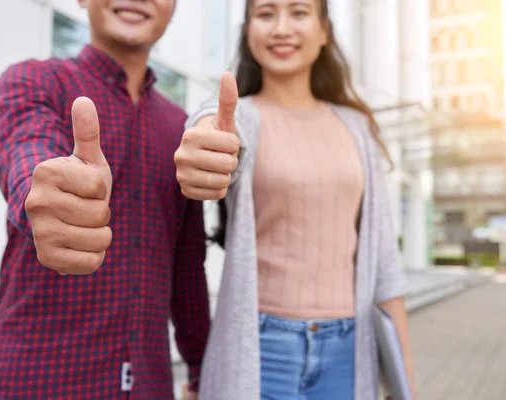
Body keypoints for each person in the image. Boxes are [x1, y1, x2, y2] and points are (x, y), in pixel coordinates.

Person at [174, 0, 417, 399]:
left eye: (299, 13)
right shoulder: (242, 119)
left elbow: (385, 262)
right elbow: (211, 127)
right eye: (266, 14)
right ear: (248, 30)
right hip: (261, 346)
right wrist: (205, 143)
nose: (281, 28)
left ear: (323, 32)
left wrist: (404, 376)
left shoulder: (357, 127)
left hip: (349, 349)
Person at [0, 1, 209, 399]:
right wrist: (50, 197)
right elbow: (27, 156)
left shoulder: (181, 128)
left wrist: (200, 372)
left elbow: (188, 269)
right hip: (37, 382)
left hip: (150, 385)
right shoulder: (33, 82)